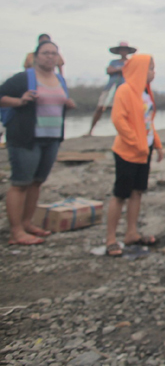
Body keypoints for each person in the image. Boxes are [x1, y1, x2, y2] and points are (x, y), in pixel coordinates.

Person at [0, 40, 76, 245]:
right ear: (36, 57)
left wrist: (68, 104)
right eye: (45, 53)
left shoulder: (59, 79)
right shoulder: (24, 78)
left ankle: (27, 223)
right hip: (26, 138)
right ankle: (16, 231)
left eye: (53, 53)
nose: (50, 57)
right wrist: (19, 101)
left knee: (36, 182)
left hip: (52, 138)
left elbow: (57, 103)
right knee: (20, 184)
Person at [104, 54, 163, 256]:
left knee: (137, 192)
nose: (153, 73)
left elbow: (148, 122)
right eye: (151, 68)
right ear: (140, 70)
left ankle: (131, 233)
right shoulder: (125, 90)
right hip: (127, 152)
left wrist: (157, 144)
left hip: (144, 151)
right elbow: (119, 120)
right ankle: (111, 238)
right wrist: (136, 143)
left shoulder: (145, 92)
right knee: (120, 194)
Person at [87, 41, 137, 136]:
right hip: (110, 87)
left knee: (124, 110)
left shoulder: (131, 62)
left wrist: (119, 70)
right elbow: (109, 70)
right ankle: (90, 131)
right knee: (100, 107)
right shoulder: (114, 62)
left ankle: (125, 131)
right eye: (121, 50)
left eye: (125, 50)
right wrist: (120, 69)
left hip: (125, 89)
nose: (123, 52)